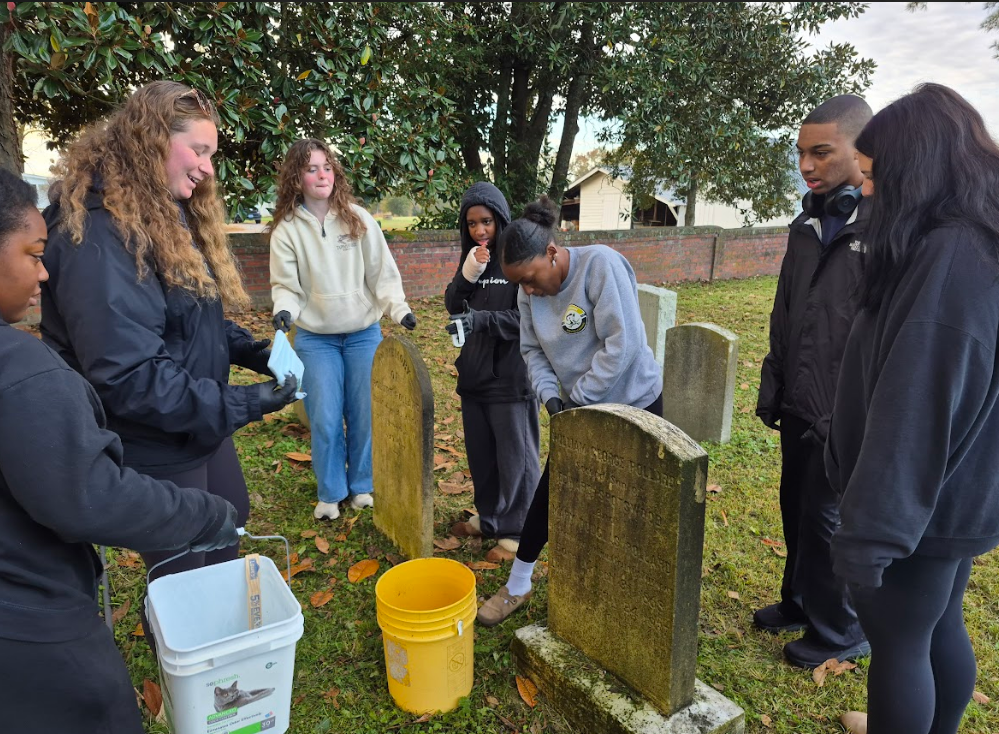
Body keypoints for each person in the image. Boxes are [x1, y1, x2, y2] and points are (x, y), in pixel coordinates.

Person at [39, 82, 299, 612]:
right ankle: (193, 669)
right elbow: (129, 374)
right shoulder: (99, 233)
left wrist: (253, 352)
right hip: (153, 436)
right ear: (151, 140)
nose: (207, 168)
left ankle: (225, 652)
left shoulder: (160, 214)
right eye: (198, 150)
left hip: (195, 420)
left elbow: (190, 318)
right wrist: (244, 404)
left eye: (211, 155)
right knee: (186, 565)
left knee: (229, 522)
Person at [0, 167, 240, 732]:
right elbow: (88, 495)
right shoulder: (25, 375)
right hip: (34, 618)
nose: (45, 272)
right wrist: (201, 514)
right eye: (35, 255)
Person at [828, 83, 999, 734]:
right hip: (952, 495)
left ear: (914, 169)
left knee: (899, 647)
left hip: (918, 509)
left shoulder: (950, 259)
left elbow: (915, 407)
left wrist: (867, 539)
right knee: (936, 627)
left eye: (872, 176)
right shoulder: (973, 239)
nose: (865, 191)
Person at [476, 196, 663, 626]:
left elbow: (623, 345)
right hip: (577, 407)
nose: (527, 291)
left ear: (552, 253)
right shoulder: (527, 293)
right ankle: (518, 583)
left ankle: (634, 590)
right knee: (554, 487)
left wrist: (577, 397)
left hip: (637, 403)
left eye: (529, 279)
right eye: (519, 284)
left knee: (641, 503)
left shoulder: (601, 267)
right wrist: (551, 398)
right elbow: (532, 350)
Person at [754, 94, 873, 669]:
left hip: (845, 409)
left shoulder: (883, 230)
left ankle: (841, 630)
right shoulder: (806, 223)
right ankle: (800, 601)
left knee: (829, 519)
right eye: (801, 153)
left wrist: (853, 410)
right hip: (799, 397)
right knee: (796, 504)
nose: (806, 165)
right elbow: (785, 310)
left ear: (861, 149)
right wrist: (773, 380)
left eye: (821, 152)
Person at [269, 138, 416, 521]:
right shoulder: (287, 230)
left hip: (362, 333)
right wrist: (284, 310)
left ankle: (362, 485)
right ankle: (331, 491)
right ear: (296, 178)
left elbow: (382, 274)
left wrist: (398, 310)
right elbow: (285, 285)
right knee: (325, 415)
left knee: (364, 412)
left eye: (327, 167)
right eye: (311, 168)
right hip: (316, 339)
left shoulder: (358, 219)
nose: (321, 175)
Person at [444, 182, 540, 562]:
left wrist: (479, 320)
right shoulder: (475, 259)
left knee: (517, 458)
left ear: (500, 219)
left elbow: (525, 319)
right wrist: (467, 275)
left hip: (511, 378)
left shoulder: (517, 259)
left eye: (486, 221)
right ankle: (489, 518)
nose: (479, 230)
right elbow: (453, 304)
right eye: (471, 224)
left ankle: (517, 533)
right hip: (475, 375)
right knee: (481, 455)